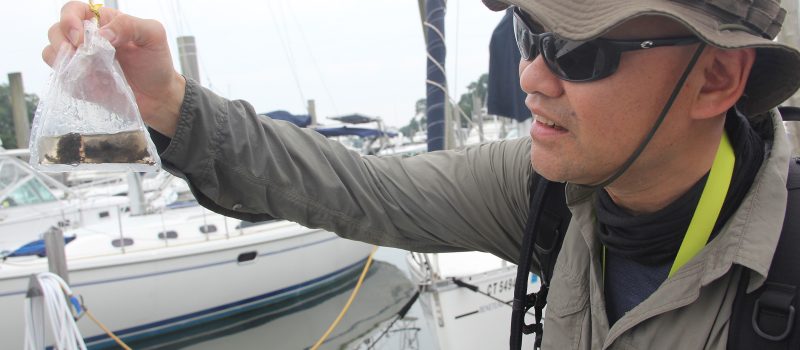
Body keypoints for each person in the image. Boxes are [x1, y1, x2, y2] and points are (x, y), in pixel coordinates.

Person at [45, 0, 799, 349]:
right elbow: (359, 189)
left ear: (716, 80)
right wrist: (169, 103)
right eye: (528, 35)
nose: (532, 76)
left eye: (581, 51)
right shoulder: (545, 196)